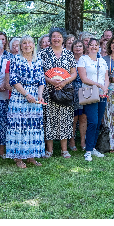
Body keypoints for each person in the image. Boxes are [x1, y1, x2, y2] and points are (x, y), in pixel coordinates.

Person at [7, 35, 46, 168]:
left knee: (32, 127)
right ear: (20, 46)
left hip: (34, 98)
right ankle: (18, 158)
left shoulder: (38, 60)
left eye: (29, 42)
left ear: (33, 45)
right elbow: (13, 81)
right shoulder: (15, 59)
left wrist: (40, 95)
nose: (27, 45)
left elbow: (41, 80)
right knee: (19, 127)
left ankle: (31, 156)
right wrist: (26, 94)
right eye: (24, 43)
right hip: (20, 97)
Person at [41, 28, 77, 158]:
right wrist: (50, 80)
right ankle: (49, 150)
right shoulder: (43, 53)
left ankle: (64, 149)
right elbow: (40, 72)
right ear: (50, 38)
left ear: (63, 39)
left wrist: (64, 82)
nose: (56, 39)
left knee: (65, 119)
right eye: (54, 36)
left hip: (65, 90)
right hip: (48, 91)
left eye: (59, 36)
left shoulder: (69, 54)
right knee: (49, 119)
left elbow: (74, 73)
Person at [78, 38, 110, 161]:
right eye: (91, 45)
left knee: (98, 123)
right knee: (93, 121)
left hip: (102, 94)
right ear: (87, 47)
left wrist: (105, 87)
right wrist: (99, 85)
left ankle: (92, 148)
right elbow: (84, 78)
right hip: (90, 93)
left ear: (99, 47)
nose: (94, 47)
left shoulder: (102, 61)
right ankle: (87, 151)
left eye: (96, 45)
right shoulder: (83, 59)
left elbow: (106, 77)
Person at [69, 39, 87, 151]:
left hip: (85, 90)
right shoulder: (69, 59)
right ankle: (71, 141)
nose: (78, 48)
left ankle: (83, 142)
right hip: (72, 91)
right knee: (74, 118)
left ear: (83, 48)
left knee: (83, 117)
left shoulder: (87, 59)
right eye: (75, 46)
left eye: (80, 46)